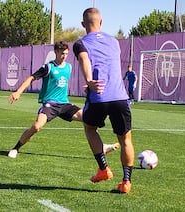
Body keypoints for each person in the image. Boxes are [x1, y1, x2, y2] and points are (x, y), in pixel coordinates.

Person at [7, 41, 120, 159]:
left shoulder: (68, 67)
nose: (64, 56)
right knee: (36, 127)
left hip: (65, 104)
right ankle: (16, 148)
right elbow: (31, 78)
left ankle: (102, 147)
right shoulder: (48, 67)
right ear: (55, 52)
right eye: (62, 53)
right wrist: (18, 92)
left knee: (89, 118)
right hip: (50, 104)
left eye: (66, 54)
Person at [73, 8, 135, 193]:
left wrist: (89, 80)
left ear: (83, 24)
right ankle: (126, 182)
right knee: (125, 139)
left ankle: (103, 169)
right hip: (120, 96)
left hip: (99, 96)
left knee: (90, 128)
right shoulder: (114, 42)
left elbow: (85, 59)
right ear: (102, 22)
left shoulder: (80, 43)